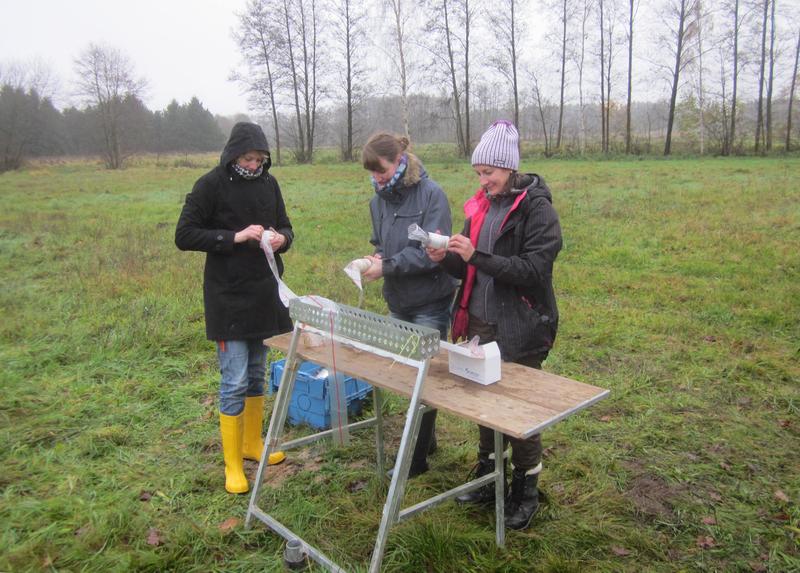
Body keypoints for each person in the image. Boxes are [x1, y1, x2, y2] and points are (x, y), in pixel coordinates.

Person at [427, 120, 562, 530]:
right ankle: (489, 476)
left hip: (522, 325)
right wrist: (446, 256)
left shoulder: (537, 208)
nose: (483, 181)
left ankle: (526, 489)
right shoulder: (481, 206)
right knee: (484, 400)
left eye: (490, 173)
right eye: (479, 174)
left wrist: (474, 257)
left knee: (518, 410)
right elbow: (467, 265)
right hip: (480, 323)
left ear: (510, 168)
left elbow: (534, 270)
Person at [175, 122, 291, 494]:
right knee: (235, 379)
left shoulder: (269, 184)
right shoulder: (210, 185)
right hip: (227, 298)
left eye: (260, 159)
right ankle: (231, 465)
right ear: (233, 154)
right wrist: (235, 237)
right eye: (248, 158)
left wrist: (280, 238)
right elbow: (185, 234)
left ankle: (252, 444)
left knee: (257, 373)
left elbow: (288, 228)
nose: (255, 165)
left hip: (264, 294)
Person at [361, 132, 457, 478]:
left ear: (400, 161)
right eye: (372, 174)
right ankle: (425, 439)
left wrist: (386, 266)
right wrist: (374, 258)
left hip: (431, 298)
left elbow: (432, 255)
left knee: (425, 378)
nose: (377, 179)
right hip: (398, 299)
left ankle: (414, 460)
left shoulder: (432, 196)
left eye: (381, 171)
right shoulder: (378, 201)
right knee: (406, 376)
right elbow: (380, 243)